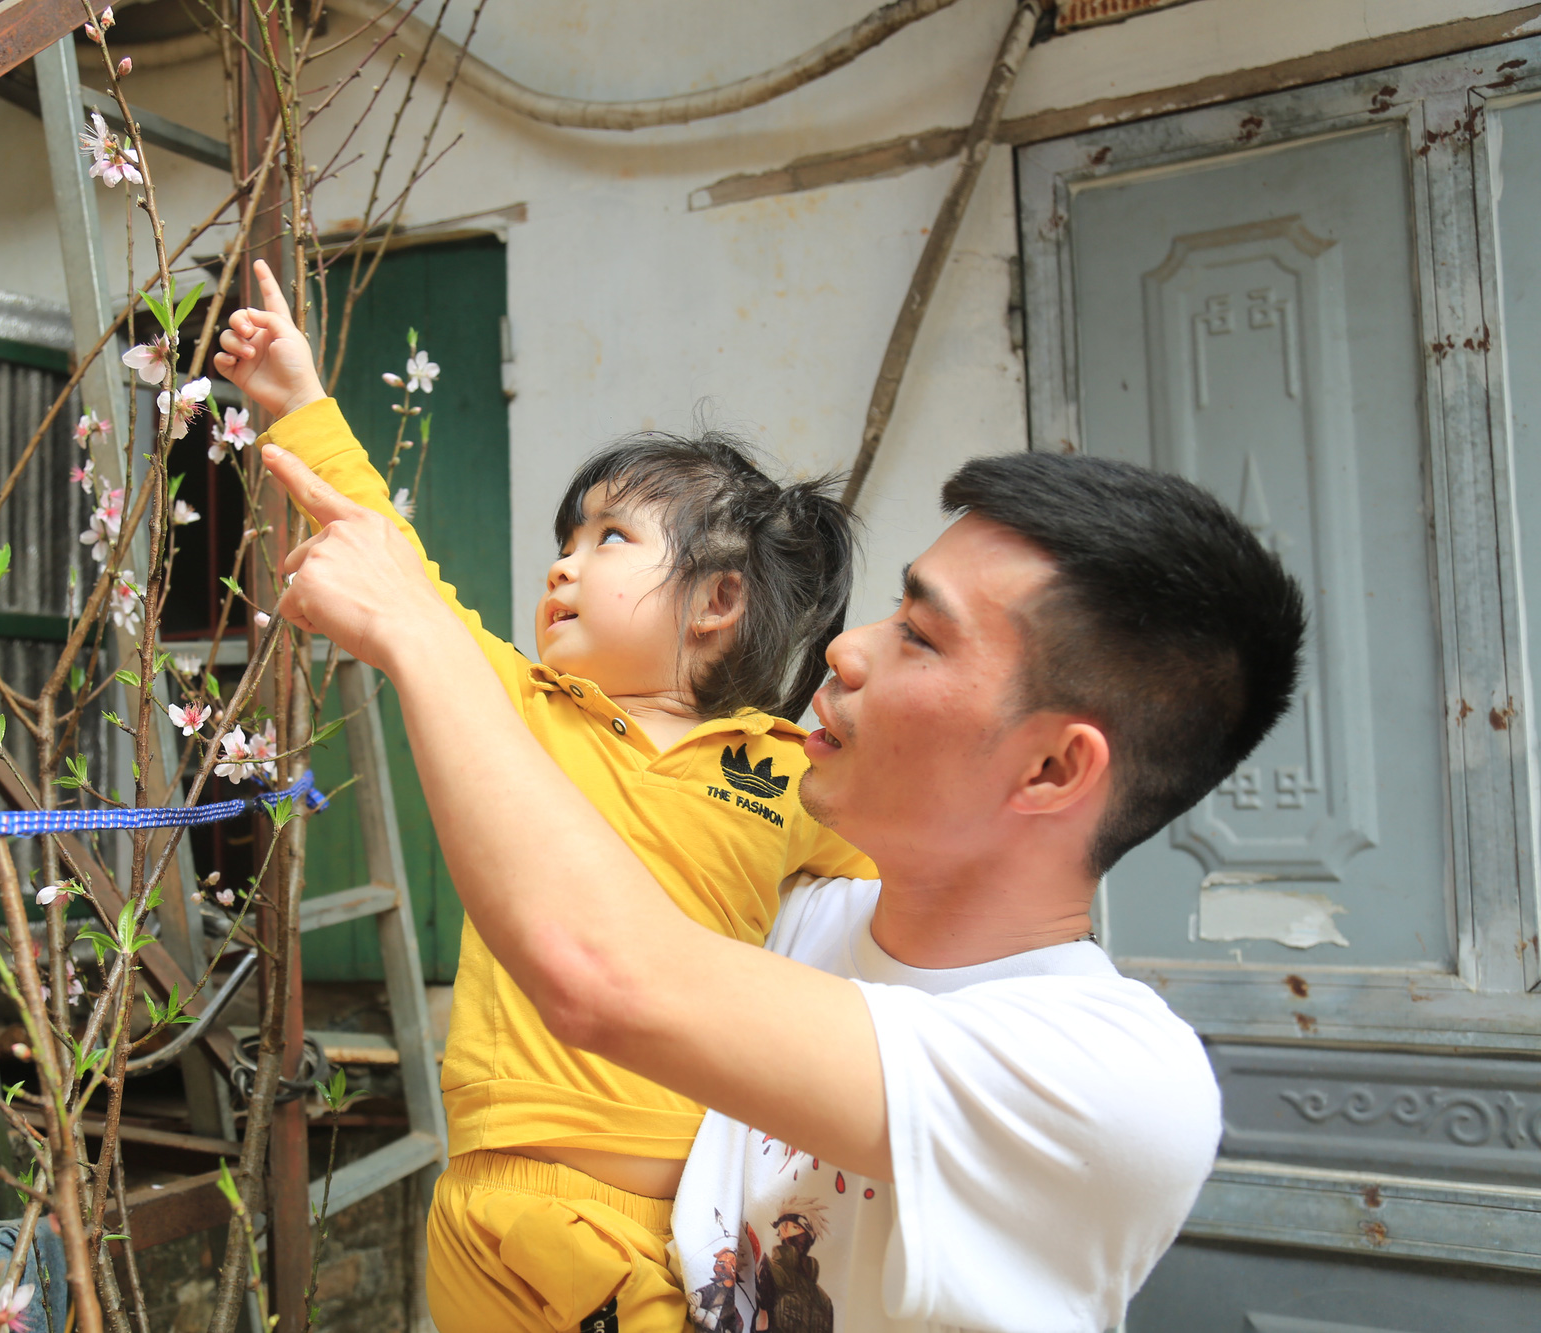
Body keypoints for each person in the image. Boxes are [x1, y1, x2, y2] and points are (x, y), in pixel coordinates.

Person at [258, 433, 1304, 1332]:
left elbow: (601, 969)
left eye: (919, 635)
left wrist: (414, 630)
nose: (844, 650)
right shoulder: (789, 920)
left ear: (1049, 768)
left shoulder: (1112, 1080)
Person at [215, 261, 874, 1330]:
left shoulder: (789, 768)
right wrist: (298, 404)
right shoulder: (524, 704)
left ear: (717, 600)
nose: (561, 568)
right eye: (561, 543)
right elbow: (401, 577)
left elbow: (913, 901)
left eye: (608, 538)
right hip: (477, 1203)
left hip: (647, 1218)